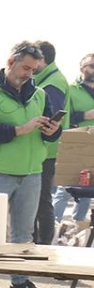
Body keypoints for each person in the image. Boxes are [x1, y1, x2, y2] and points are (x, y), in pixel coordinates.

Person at [0, 41, 62, 288]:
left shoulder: (41, 95)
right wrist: (20, 129)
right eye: (24, 68)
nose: (28, 74)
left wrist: (53, 132)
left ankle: (20, 281)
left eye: (33, 70)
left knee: (23, 234)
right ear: (10, 62)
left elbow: (53, 135)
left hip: (31, 173)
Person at [31, 41, 68, 245]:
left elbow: (51, 119)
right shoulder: (50, 79)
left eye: (34, 59)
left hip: (46, 150)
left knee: (41, 201)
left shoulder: (51, 84)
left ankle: (43, 246)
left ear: (42, 59)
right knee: (40, 200)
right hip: (46, 150)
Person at [53, 52, 94, 222]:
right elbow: (65, 116)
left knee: (89, 185)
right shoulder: (70, 89)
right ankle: (54, 224)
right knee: (66, 186)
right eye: (91, 66)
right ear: (81, 68)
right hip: (77, 144)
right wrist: (85, 115)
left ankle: (78, 227)